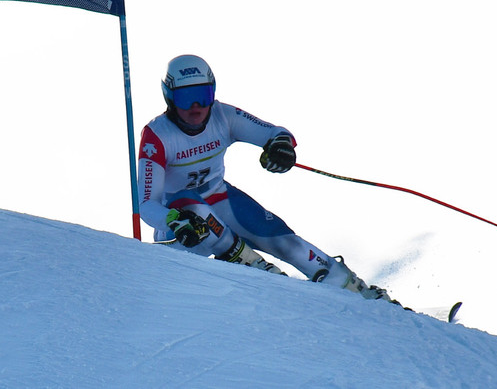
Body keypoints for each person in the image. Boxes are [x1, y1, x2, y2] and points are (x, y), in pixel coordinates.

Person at [138, 54, 398, 303]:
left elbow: (276, 133)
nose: (196, 107)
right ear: (169, 98)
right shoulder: (157, 136)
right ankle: (252, 265)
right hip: (181, 230)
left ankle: (353, 289)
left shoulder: (222, 116)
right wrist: (173, 221)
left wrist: (281, 147)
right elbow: (146, 205)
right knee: (190, 203)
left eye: (202, 96)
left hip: (220, 200)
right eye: (186, 98)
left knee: (284, 240)